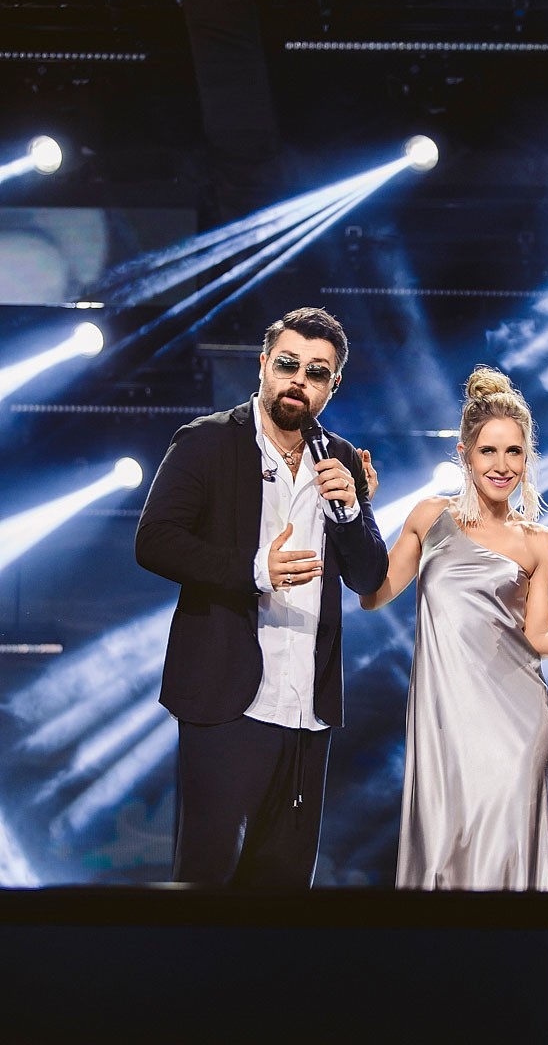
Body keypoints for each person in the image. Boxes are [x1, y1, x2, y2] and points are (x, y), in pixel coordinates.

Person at [361, 366, 548, 891]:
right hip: (444, 721)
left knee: (502, 867)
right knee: (441, 854)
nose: (501, 465)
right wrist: (358, 511)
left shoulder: (539, 541)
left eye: (514, 452)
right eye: (489, 451)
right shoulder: (429, 517)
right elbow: (373, 594)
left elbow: (537, 637)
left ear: (527, 457)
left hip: (516, 724)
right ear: (465, 454)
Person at [136, 307, 388, 887]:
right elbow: (155, 541)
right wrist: (255, 569)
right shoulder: (207, 441)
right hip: (225, 699)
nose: (299, 380)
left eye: (316, 372)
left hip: (306, 707)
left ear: (333, 385)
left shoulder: (340, 457)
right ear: (263, 365)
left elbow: (369, 576)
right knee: (206, 880)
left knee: (284, 891)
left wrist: (351, 512)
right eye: (288, 364)